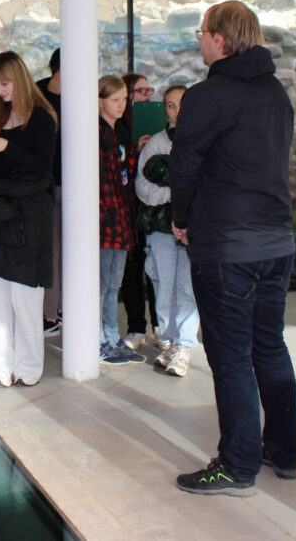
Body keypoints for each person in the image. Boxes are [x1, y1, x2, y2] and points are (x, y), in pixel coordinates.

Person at [169, 0, 296, 496]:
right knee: (270, 346)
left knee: (230, 358)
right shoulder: (276, 93)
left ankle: (238, 464)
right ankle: (284, 450)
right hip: (277, 242)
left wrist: (183, 219)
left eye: (203, 32)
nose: (200, 40)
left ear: (220, 39)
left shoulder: (207, 96)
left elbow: (185, 167)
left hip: (228, 247)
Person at [0, 52, 57, 387]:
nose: (0, 91)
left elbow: (42, 168)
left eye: (4, 84)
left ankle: (29, 366)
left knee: (25, 294)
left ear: (19, 78)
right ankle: (0, 367)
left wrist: (5, 147)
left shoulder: (42, 118)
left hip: (28, 214)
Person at [136, 85, 197, 376]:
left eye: (182, 104)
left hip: (194, 226)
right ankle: (169, 341)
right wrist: (173, 194)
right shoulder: (157, 143)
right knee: (163, 284)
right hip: (161, 228)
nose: (177, 111)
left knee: (187, 286)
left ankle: (184, 345)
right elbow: (142, 188)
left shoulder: (203, 139)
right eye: (170, 105)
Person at [98, 75, 144, 365]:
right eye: (115, 99)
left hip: (122, 218)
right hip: (105, 220)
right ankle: (99, 339)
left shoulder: (121, 132)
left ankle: (112, 336)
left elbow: (126, 175)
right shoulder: (95, 132)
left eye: (124, 99)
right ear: (100, 101)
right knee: (101, 283)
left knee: (114, 283)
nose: (121, 104)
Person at [119, 72, 157, 351]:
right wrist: (136, 150)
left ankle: (160, 325)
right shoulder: (118, 127)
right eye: (140, 91)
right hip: (127, 207)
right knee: (131, 270)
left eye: (149, 90)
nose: (147, 95)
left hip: (152, 206)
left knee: (156, 269)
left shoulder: (159, 122)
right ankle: (136, 327)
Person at [35, 50, 64, 334]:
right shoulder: (37, 95)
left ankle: (66, 307)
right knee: (51, 249)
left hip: (79, 185)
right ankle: (49, 313)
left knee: (74, 250)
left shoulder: (84, 95)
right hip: (47, 183)